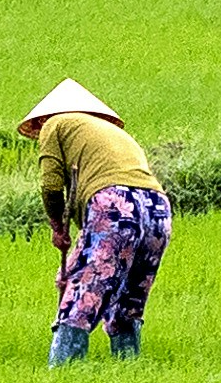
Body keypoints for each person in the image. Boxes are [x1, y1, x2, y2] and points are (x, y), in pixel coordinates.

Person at [21, 80, 169, 364]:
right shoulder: (112, 134)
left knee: (83, 289)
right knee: (131, 296)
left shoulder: (55, 124)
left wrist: (57, 228)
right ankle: (128, 366)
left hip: (114, 205)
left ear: (43, 117)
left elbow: (51, 185)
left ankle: (64, 369)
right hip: (158, 208)